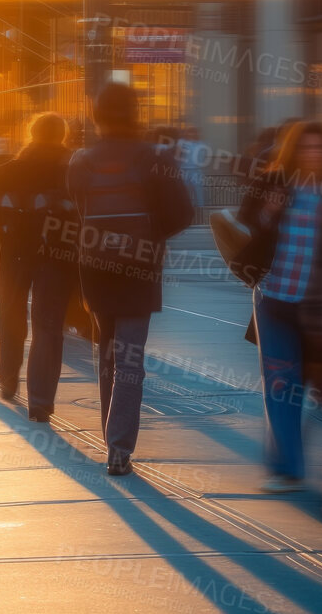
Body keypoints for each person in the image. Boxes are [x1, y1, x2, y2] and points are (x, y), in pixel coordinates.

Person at [67, 83, 195, 476]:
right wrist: (151, 236)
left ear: (97, 115)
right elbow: (183, 212)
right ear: (134, 111)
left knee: (106, 350)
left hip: (96, 265)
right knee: (130, 357)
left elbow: (77, 207)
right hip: (138, 265)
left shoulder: (81, 160)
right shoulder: (154, 157)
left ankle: (112, 439)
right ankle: (119, 446)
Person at [236, 121, 322, 496]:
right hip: (275, 298)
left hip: (321, 308)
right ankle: (287, 469)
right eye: (305, 148)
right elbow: (246, 223)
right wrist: (268, 213)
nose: (313, 154)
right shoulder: (275, 182)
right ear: (294, 151)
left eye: (320, 148)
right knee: (280, 386)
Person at [0, 113, 76, 417]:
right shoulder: (71, 171)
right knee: (48, 326)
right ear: (62, 136)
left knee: (9, 315)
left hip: (12, 253)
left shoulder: (6, 170)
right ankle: (41, 400)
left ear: (31, 134)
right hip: (56, 257)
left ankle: (8, 375)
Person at [176, 126, 207, 208]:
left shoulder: (201, 143)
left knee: (198, 192)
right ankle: (189, 209)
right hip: (185, 170)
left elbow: (202, 157)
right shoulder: (181, 142)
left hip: (195, 170)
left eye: (193, 132)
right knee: (187, 192)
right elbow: (177, 156)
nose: (191, 134)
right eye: (189, 132)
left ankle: (200, 210)